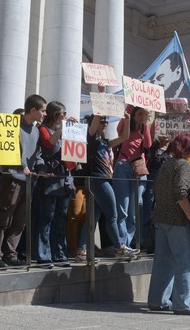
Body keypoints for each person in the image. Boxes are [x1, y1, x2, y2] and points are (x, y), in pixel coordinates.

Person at [146, 132, 190, 316]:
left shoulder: (167, 164)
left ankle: (158, 300)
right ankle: (183, 303)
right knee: (185, 262)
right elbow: (180, 193)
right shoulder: (183, 165)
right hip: (177, 221)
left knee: (163, 262)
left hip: (160, 219)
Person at [0, 95, 46, 268]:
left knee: (21, 220)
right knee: (3, 218)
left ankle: (10, 255)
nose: (44, 114)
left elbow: (38, 154)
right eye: (42, 111)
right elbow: (5, 150)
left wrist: (41, 168)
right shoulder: (11, 125)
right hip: (12, 179)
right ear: (33, 110)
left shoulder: (35, 130)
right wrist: (21, 165)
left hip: (29, 181)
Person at [76, 113, 132, 262]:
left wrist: (127, 120)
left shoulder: (104, 142)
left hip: (103, 180)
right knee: (112, 216)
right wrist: (98, 108)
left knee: (92, 218)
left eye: (106, 121)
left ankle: (81, 250)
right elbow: (92, 128)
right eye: (102, 121)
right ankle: (119, 247)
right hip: (99, 180)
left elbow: (124, 138)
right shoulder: (91, 140)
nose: (105, 123)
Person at [35, 101, 74, 267]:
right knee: (47, 218)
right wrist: (62, 129)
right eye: (63, 114)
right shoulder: (43, 129)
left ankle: (59, 253)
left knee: (61, 218)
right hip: (51, 180)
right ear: (55, 115)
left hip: (65, 179)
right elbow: (49, 144)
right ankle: (44, 255)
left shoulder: (64, 130)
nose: (65, 117)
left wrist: (75, 132)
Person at [113, 106, 153, 249]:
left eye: (145, 113)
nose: (143, 116)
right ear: (134, 115)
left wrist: (146, 123)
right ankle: (122, 244)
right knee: (122, 208)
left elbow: (148, 144)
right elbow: (120, 132)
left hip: (139, 169)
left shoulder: (144, 129)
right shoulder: (125, 124)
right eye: (140, 114)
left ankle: (127, 243)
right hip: (123, 166)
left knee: (135, 210)